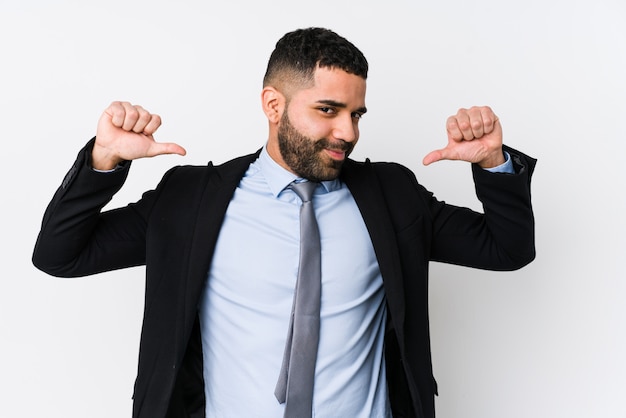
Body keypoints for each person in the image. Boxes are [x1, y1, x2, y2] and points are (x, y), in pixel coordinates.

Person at [32, 27, 536, 418]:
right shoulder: (191, 199)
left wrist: (492, 164)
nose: (348, 131)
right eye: (328, 110)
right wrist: (104, 163)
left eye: (357, 114)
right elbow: (61, 254)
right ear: (274, 105)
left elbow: (507, 249)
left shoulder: (392, 196)